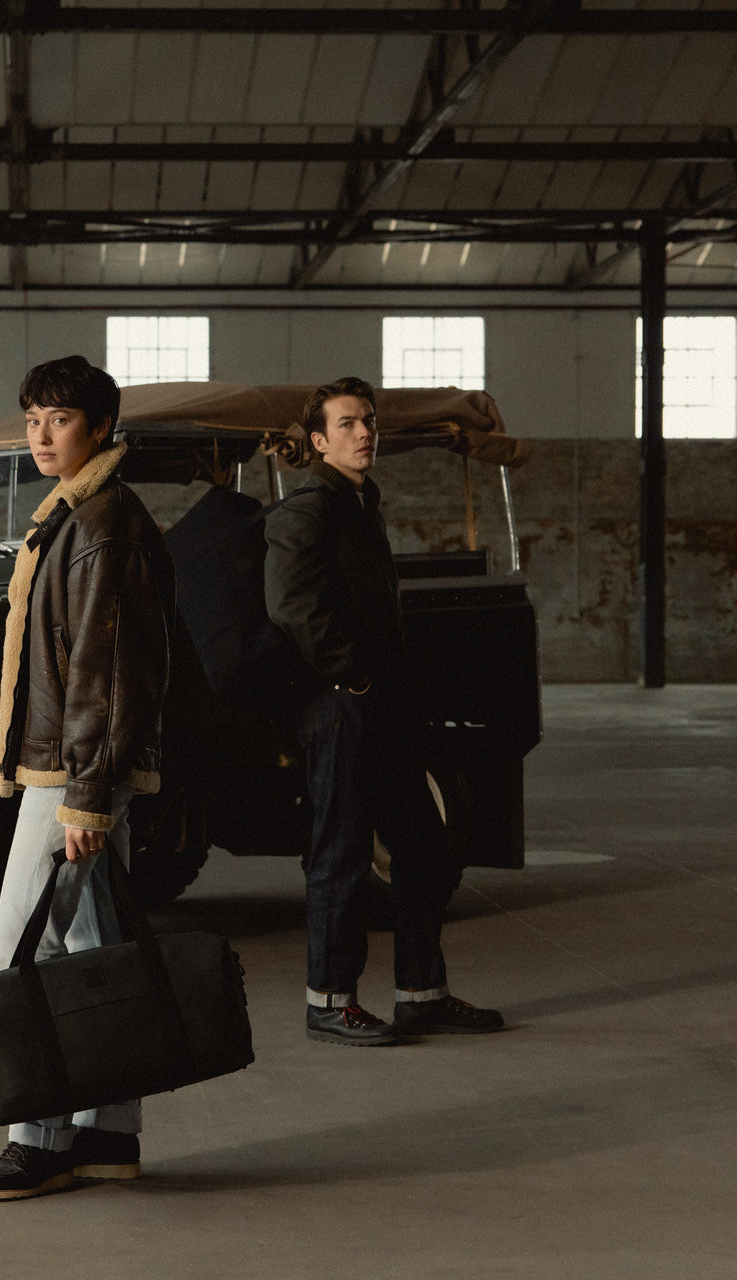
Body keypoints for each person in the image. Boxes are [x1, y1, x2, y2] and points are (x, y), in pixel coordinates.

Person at [0, 355, 175, 1200]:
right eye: (31, 420)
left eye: (58, 419)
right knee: (91, 949)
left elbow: (110, 671)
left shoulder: (101, 524)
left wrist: (88, 794)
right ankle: (106, 1134)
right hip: (65, 766)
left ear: (98, 426)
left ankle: (41, 1137)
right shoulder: (74, 517)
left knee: (25, 939)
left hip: (73, 774)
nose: (41, 436)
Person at [264, 376, 503, 1046]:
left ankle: (421, 994)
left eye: (368, 421)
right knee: (340, 854)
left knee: (425, 847)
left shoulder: (363, 505)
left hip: (382, 709)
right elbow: (293, 611)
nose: (365, 432)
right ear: (318, 441)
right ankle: (329, 1002)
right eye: (347, 424)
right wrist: (354, 678)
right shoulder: (306, 511)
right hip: (342, 710)